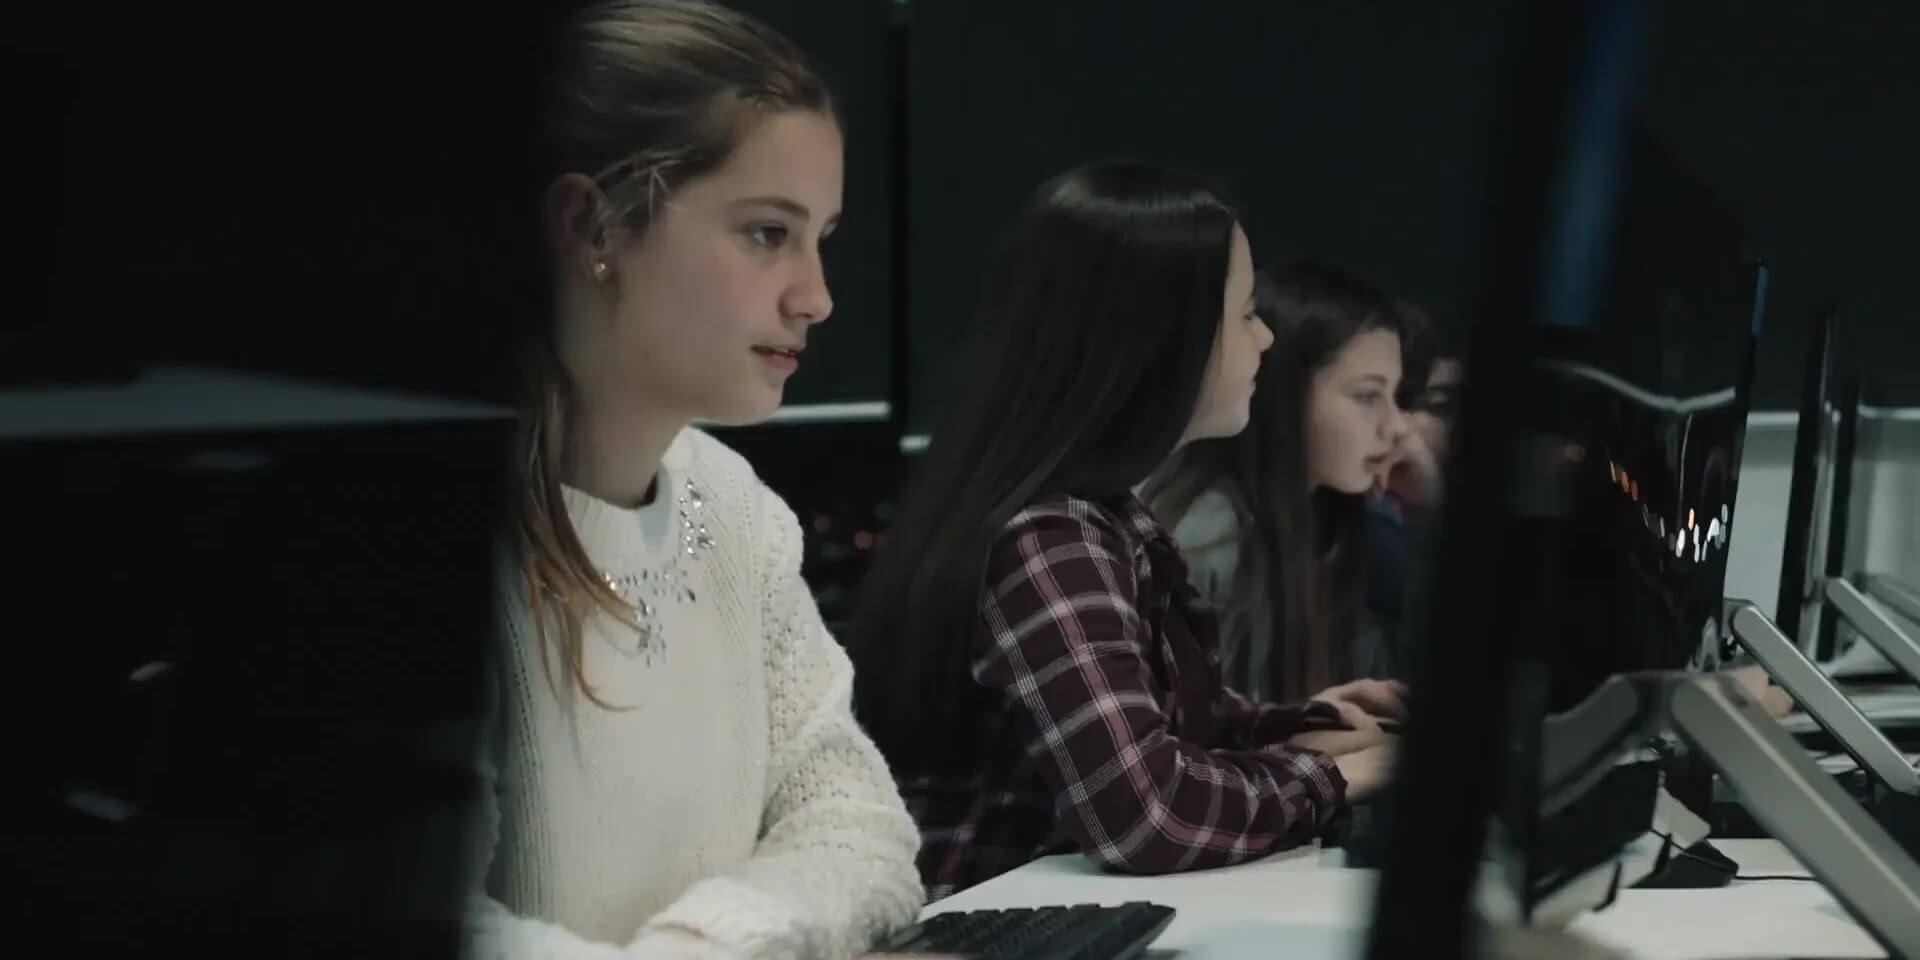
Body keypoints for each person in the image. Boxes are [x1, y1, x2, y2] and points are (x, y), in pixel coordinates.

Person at [464, 3, 923, 958]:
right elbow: (416, 925)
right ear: (591, 224)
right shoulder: (410, 541)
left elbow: (857, 826)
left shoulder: (738, 512)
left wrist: (709, 944)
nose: (817, 296)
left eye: (821, 238)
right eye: (767, 234)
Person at [845, 163, 1402, 902]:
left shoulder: (1107, 520)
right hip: (984, 928)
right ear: (1160, 338)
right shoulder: (1048, 538)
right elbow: (1146, 814)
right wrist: (1337, 774)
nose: (1265, 338)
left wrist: (1307, 723)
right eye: (1242, 314)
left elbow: (1171, 721)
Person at [1148, 261, 1416, 700]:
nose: (1397, 427)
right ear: (1284, 392)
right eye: (1368, 396)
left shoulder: (1330, 526)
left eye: (1396, 397)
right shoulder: (1202, 538)